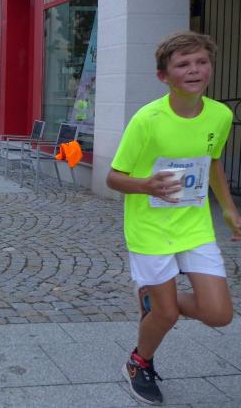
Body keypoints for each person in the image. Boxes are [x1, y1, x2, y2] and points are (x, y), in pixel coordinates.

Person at [106, 31, 241, 405]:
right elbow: (114, 177)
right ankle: (138, 362)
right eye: (183, 64)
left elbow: (212, 162)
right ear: (163, 76)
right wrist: (146, 185)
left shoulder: (221, 115)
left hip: (194, 226)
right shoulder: (147, 120)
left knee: (219, 314)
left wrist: (228, 208)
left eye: (201, 62)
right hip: (150, 228)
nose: (194, 70)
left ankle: (154, 299)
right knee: (166, 317)